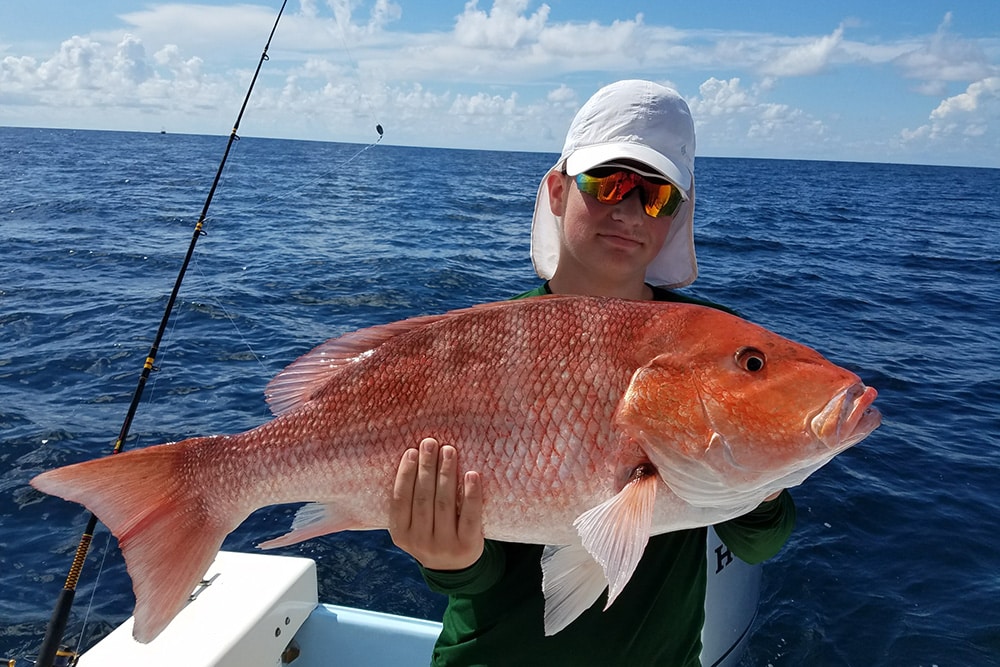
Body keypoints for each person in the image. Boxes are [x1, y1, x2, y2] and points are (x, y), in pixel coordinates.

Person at [387, 79, 796, 666]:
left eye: (657, 197)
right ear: (557, 191)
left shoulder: (715, 342)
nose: (630, 211)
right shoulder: (486, 341)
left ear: (676, 216)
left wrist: (765, 475)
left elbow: (760, 540)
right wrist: (449, 558)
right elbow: (479, 583)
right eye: (610, 183)